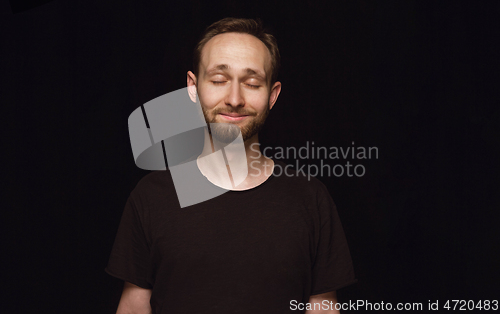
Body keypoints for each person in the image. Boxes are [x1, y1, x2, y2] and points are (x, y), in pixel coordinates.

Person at [106, 17, 356, 314]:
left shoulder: (311, 199)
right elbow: (134, 308)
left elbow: (323, 309)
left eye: (252, 83)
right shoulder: (150, 197)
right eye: (219, 80)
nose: (235, 99)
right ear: (193, 87)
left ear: (272, 95)